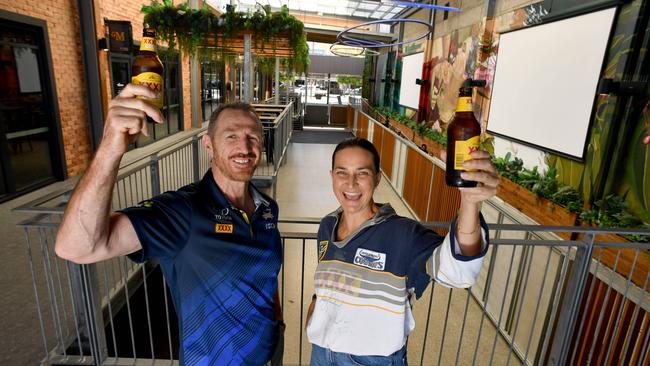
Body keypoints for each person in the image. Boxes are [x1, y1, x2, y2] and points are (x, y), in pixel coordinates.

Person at [55, 84, 283, 365]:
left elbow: (267, 275)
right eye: (231, 136)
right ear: (208, 144)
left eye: (253, 137)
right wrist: (110, 150)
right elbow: (75, 247)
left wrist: (278, 326)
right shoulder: (183, 211)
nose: (245, 148)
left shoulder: (267, 209)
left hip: (269, 355)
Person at [306, 137, 499, 365]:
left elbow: (457, 273)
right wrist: (315, 311)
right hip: (320, 354)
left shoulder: (404, 234)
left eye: (362, 173)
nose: (350, 183)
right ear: (332, 176)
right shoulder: (327, 225)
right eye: (342, 172)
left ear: (377, 178)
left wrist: (470, 203)